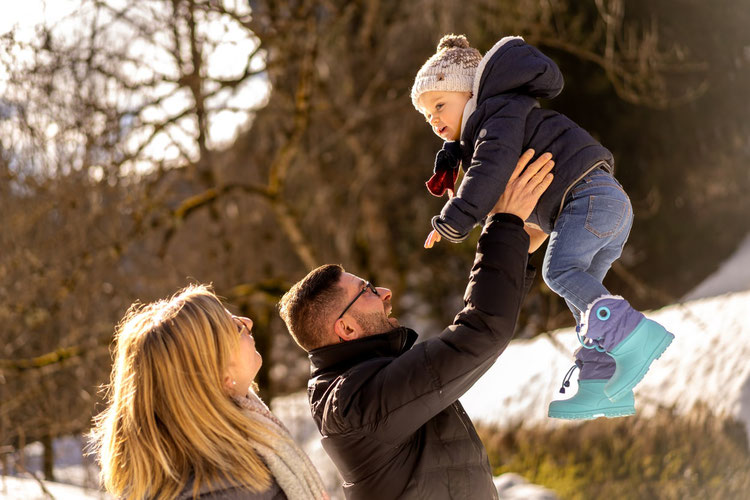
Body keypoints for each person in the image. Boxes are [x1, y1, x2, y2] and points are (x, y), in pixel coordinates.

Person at [411, 34, 674, 420]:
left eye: (439, 104)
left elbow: (490, 170)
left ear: (471, 94)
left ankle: (635, 334)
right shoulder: (490, 127)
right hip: (599, 207)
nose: (433, 118)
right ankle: (604, 385)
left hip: (589, 199)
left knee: (559, 272)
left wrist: (454, 220)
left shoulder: (496, 115)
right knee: (584, 308)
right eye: (426, 115)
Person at [278, 150, 553, 499]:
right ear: (346, 329)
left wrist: (516, 245)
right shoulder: (356, 403)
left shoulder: (366, 384)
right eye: (368, 291)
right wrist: (503, 226)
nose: (386, 292)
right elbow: (480, 333)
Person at [90, 284, 328, 500]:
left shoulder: (194, 468)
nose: (248, 322)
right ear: (217, 375)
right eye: (235, 328)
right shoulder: (234, 488)